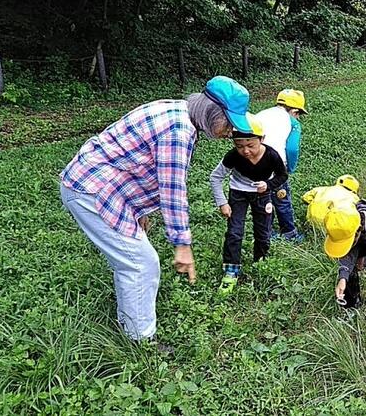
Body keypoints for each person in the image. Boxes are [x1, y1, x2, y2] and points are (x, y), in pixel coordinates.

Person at [60, 75, 251, 343]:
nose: (230, 132)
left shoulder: (176, 110)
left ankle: (130, 325)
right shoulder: (179, 133)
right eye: (229, 124)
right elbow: (172, 191)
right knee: (140, 263)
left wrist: (139, 211)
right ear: (212, 113)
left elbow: (138, 162)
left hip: (100, 184)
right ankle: (141, 342)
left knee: (132, 261)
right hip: (92, 190)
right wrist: (182, 245)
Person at [209, 120, 288, 294]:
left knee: (263, 232)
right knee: (234, 232)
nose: (245, 151)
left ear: (262, 139)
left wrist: (268, 185)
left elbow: (282, 176)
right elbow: (215, 177)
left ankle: (260, 263)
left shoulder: (272, 155)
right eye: (239, 146)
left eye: (251, 145)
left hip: (262, 194)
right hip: (238, 194)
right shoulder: (233, 156)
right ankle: (231, 271)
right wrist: (222, 202)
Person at [252, 89, 307, 242]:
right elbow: (292, 149)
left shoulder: (261, 115)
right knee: (282, 199)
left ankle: (267, 234)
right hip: (275, 166)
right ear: (294, 111)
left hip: (253, 164)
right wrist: (290, 168)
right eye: (298, 114)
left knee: (264, 199)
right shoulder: (292, 123)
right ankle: (290, 233)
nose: (298, 118)